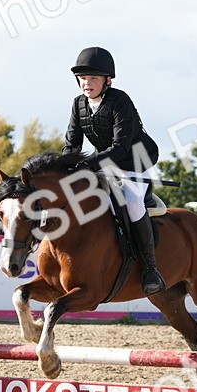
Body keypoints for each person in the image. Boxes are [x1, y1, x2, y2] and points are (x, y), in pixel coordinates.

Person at [61, 46, 166, 295]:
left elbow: (120, 147)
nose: (87, 84)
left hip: (135, 161)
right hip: (105, 163)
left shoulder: (120, 100)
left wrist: (88, 165)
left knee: (131, 203)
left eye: (93, 78)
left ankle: (151, 269)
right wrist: (65, 170)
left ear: (108, 80)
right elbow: (72, 144)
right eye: (83, 78)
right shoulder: (78, 104)